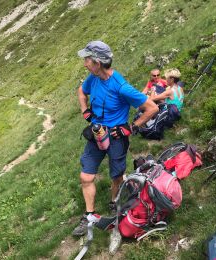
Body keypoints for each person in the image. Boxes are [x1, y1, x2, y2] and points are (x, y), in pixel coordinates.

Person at [73, 40, 158, 236]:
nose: (84, 63)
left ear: (97, 62)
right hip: (96, 134)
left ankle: (114, 203)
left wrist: (132, 127)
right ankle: (89, 216)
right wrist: (85, 109)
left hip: (116, 138)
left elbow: (152, 108)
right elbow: (81, 91)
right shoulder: (92, 79)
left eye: (87, 59)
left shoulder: (121, 87)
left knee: (116, 176)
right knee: (86, 176)